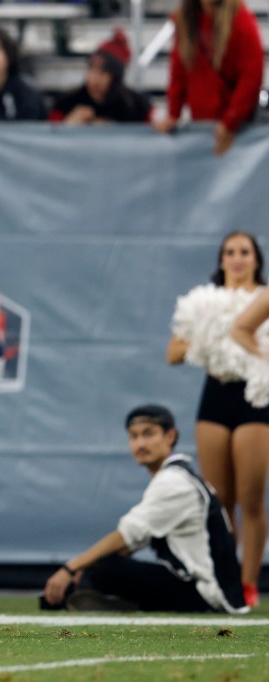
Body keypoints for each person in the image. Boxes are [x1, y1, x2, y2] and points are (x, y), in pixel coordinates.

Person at [41, 405, 248, 613]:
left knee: (106, 569)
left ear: (170, 436)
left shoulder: (174, 482)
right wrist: (86, 566)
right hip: (205, 590)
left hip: (204, 594)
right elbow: (132, 543)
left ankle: (112, 599)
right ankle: (113, 600)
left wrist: (71, 568)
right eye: (134, 436)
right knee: (96, 565)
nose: (140, 443)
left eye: (148, 434)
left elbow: (127, 536)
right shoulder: (179, 476)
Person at [167, 231, 268, 608]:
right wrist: (209, 339)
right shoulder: (202, 302)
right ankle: (223, 579)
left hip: (256, 398)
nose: (237, 258)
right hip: (215, 398)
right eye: (230, 252)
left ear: (256, 259)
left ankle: (249, 582)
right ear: (221, 260)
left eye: (245, 251)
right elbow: (173, 353)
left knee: (251, 498)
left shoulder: (264, 299)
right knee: (219, 498)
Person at [153, 0, 264, 156]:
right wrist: (173, 114)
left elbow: (251, 76)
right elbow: (178, 73)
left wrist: (231, 120)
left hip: (236, 131)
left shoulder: (240, 19)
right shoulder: (186, 21)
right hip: (202, 126)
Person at [49, 29, 151, 125]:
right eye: (91, 69)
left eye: (102, 72)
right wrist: (69, 123)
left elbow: (155, 129)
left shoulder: (136, 105)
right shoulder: (66, 102)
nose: (94, 78)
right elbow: (49, 135)